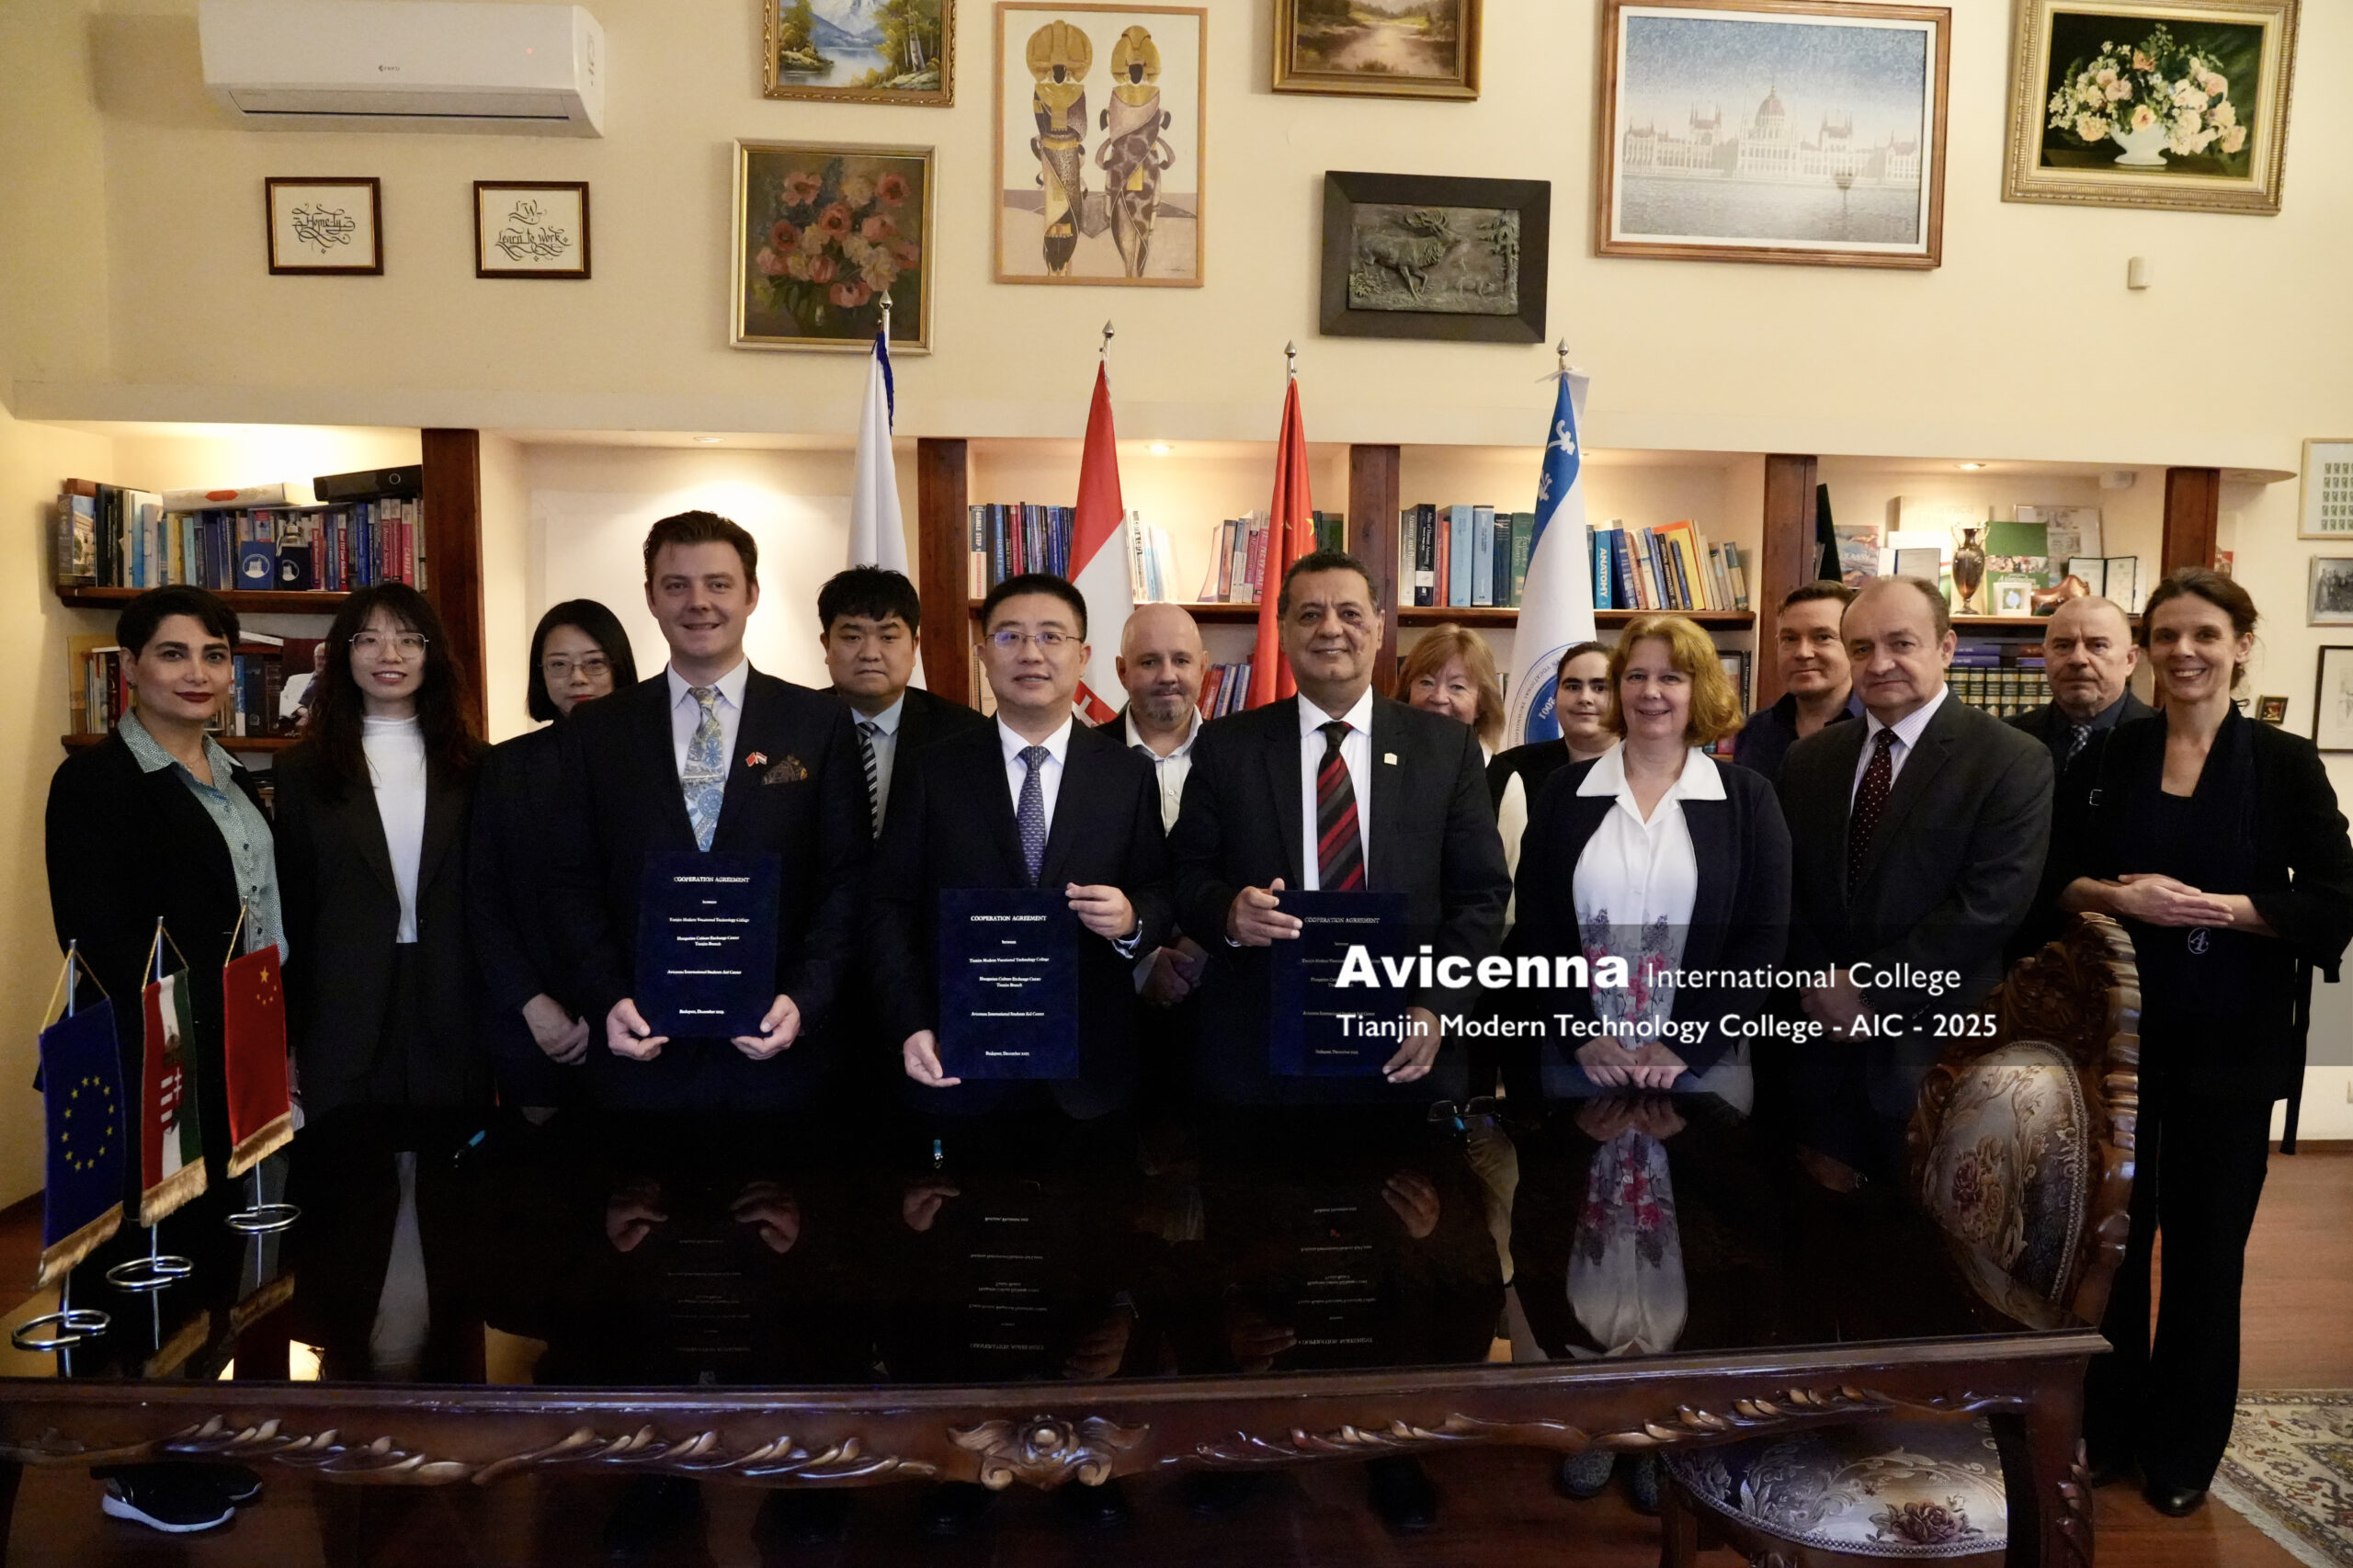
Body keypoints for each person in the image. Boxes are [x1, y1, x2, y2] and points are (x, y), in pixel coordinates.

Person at [2061, 568, 2353, 1517]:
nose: (2183, 652)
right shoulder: (2113, 754)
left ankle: (2183, 1450)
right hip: (2117, 1042)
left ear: (2240, 646)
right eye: (2166, 635)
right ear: (2145, 649)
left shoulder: (2284, 762)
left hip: (2231, 1043)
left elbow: (2334, 900)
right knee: (2110, 1244)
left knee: (2206, 1250)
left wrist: (2219, 909)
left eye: (2205, 635)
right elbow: (2058, 877)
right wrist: (2123, 896)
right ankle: (2107, 1429)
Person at [44, 585, 274, 1533]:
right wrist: (185, 1044)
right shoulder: (96, 782)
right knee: (129, 1265)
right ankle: (128, 1468)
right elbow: (97, 934)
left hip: (232, 1057)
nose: (198, 673)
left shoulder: (235, 773)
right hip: (142, 1063)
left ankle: (188, 1437)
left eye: (214, 654)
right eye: (174, 653)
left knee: (208, 1256)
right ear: (130, 668)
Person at [549, 511, 868, 1115]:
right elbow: (571, 882)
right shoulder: (598, 730)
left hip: (780, 1055)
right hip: (639, 1052)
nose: (698, 602)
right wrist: (606, 998)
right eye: (677, 585)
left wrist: (803, 1000)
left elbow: (846, 879)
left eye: (718, 584)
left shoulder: (817, 724)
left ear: (751, 594)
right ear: (651, 597)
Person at [1169, 550, 1511, 1108]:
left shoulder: (1446, 748)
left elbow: (1481, 896)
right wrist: (1228, 913)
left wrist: (1437, 1007)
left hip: (1406, 1048)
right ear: (1283, 631)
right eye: (1310, 614)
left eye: (1350, 614)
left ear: (1378, 627)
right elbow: (1186, 875)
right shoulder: (1227, 746)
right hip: (1261, 1057)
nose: (1331, 628)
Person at [1776, 575, 2052, 1185]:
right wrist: (1823, 988)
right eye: (1862, 648)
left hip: (1934, 1055)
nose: (1880, 664)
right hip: (1818, 1046)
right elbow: (1785, 892)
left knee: (1925, 1236)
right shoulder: (1809, 760)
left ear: (1946, 647)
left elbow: (1989, 907)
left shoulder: (2010, 759)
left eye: (1901, 643)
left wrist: (1868, 990)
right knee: (1810, 1230)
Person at [875, 573, 1170, 1125]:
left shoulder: (1126, 774)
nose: (1031, 653)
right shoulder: (933, 769)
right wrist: (911, 1024)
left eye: (1052, 636)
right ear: (983, 654)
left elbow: (1159, 889)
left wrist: (1132, 919)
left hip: (1088, 1071)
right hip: (957, 1057)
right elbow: (891, 907)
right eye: (1010, 636)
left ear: (1083, 657)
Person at [1506, 613, 1790, 1099]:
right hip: (1582, 1063)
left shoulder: (1749, 798)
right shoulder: (1563, 792)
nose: (1650, 692)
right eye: (1635, 676)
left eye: (1670, 678)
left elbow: (1764, 939)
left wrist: (1687, 1044)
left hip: (1703, 1066)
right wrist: (1579, 1033)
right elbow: (1538, 926)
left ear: (1699, 690)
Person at [276, 584, 488, 1119]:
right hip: (342, 1001)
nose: (389, 654)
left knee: (452, 1160)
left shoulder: (479, 766)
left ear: (431, 655)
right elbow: (294, 908)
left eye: (408, 640)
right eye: (368, 639)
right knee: (350, 1164)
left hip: (454, 997)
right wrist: (289, 1032)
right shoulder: (302, 772)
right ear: (343, 654)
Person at [469, 600, 639, 1111]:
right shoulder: (504, 766)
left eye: (594, 662)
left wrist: (607, 1004)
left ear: (619, 667)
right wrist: (530, 1003)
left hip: (637, 1013)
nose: (576, 678)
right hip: (532, 1016)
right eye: (558, 664)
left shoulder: (654, 764)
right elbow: (484, 896)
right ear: (540, 675)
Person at [2006, 595, 2151, 960]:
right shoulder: (2005, 742)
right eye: (2063, 645)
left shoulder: (2164, 741)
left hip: (2136, 955)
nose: (2078, 658)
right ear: (2045, 656)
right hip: (2019, 954)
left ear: (2130, 659)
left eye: (2098, 645)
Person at [816, 564, 988, 838]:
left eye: (888, 637)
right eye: (852, 637)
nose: (870, 653)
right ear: (827, 645)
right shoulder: (791, 725)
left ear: (914, 646)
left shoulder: (965, 733)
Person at [1117, 602, 1211, 1013]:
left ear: (1203, 667)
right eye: (1149, 661)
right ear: (1122, 671)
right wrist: (1144, 963)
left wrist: (1205, 943)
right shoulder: (1083, 759)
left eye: (1182, 660)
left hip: (1222, 993)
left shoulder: (1242, 757)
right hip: (1114, 997)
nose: (1168, 675)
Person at [1733, 581, 1862, 784]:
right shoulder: (1755, 731)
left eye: (1823, 637)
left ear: (1854, 645)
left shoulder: (1880, 731)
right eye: (1790, 639)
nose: (1803, 653)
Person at [1399, 623, 1506, 759]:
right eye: (1427, 682)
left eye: (1457, 686)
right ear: (1407, 692)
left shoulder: (1500, 773)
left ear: (1481, 704)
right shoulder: (1382, 762)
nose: (1439, 698)